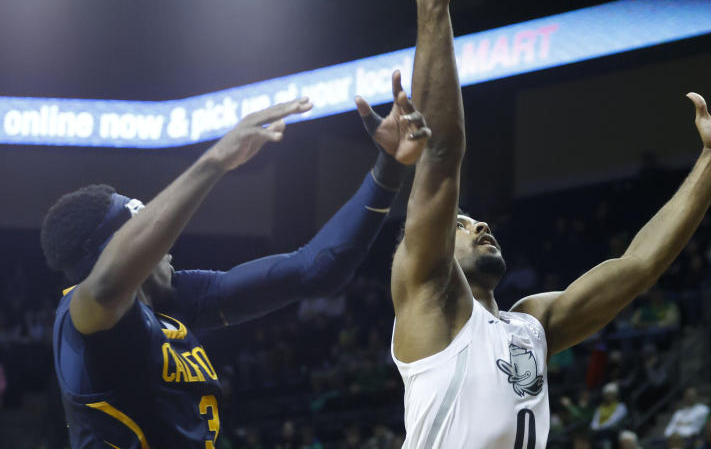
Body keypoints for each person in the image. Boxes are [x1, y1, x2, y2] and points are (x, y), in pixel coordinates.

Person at [387, 0, 711, 448]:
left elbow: (639, 266)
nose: (478, 226)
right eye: (461, 223)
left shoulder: (532, 326)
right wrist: (434, 6)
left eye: (477, 220)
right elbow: (441, 156)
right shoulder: (427, 295)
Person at [44, 89, 430, 448]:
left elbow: (316, 268)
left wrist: (389, 168)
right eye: (143, 222)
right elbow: (107, 285)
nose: (164, 240)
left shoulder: (176, 297)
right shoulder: (81, 315)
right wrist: (215, 161)